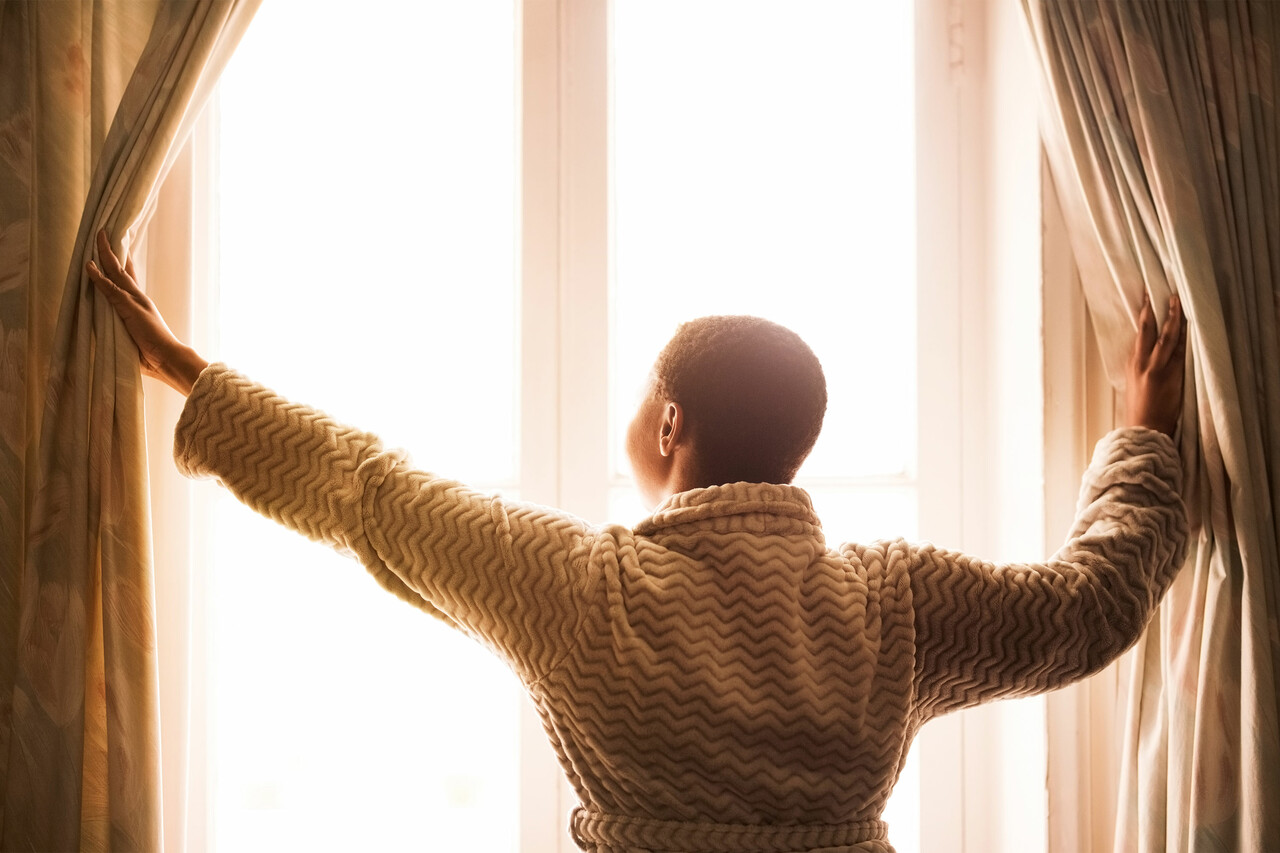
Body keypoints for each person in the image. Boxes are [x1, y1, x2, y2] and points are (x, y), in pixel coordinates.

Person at [88, 229, 1188, 853]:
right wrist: (1142, 436)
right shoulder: (896, 601)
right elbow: (1088, 604)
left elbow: (368, 491)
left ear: (669, 423)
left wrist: (186, 372)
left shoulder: (577, 588)